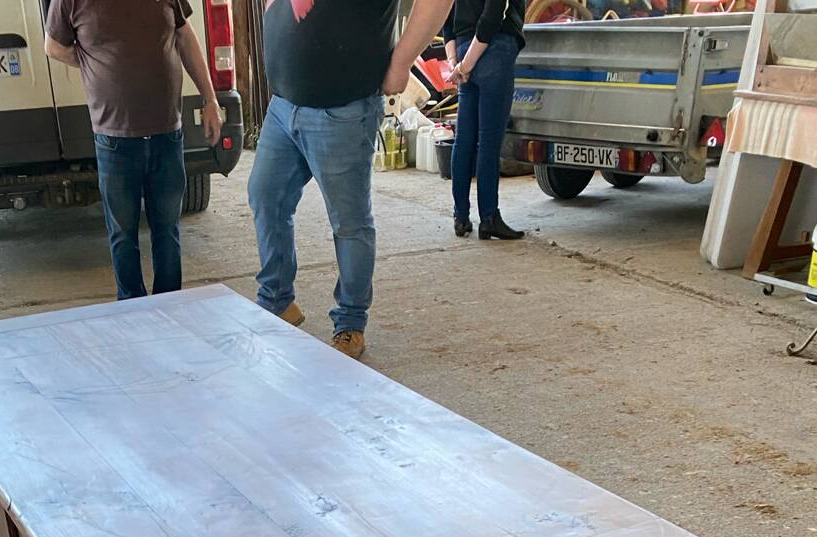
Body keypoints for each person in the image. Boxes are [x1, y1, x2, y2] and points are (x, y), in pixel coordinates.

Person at [250, 0, 455, 361]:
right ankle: (276, 301)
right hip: (284, 104)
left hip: (341, 108)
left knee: (349, 222)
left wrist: (402, 61)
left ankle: (349, 323)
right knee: (265, 196)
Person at [44, 1, 222, 300]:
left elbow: (183, 35)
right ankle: (131, 308)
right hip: (115, 140)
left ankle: (170, 306)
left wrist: (210, 99)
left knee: (167, 231)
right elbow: (54, 46)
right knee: (123, 235)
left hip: (167, 134)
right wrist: (93, 60)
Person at [444, 0, 526, 241]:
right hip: (493, 47)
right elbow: (495, 12)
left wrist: (456, 64)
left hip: (463, 46)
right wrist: (466, 63)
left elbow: (445, 17)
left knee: (464, 140)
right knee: (488, 143)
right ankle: (489, 217)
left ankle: (460, 216)